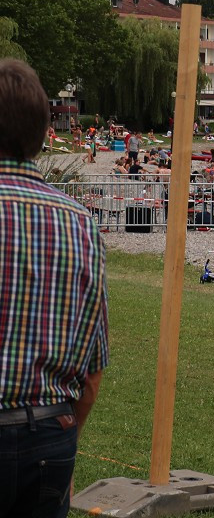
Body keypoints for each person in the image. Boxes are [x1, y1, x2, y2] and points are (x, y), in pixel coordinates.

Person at [0, 59, 109, 517]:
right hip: (51, 432)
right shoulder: (80, 222)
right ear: (45, 132)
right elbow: (93, 364)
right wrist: (66, 430)